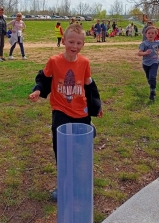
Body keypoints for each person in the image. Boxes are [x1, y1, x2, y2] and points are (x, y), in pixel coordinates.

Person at [29, 24, 103, 201]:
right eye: (71, 41)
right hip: (60, 110)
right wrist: (38, 90)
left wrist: (96, 106)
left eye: (78, 43)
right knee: (62, 149)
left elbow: (89, 85)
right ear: (63, 41)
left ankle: (87, 128)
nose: (74, 46)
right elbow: (44, 78)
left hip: (81, 111)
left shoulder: (84, 63)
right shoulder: (54, 61)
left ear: (83, 44)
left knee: (79, 152)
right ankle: (63, 185)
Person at [138, 26, 159, 101]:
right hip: (146, 64)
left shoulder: (157, 42)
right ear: (146, 34)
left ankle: (153, 91)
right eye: (149, 33)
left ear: (155, 35)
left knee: (152, 76)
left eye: (152, 33)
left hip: (155, 62)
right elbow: (139, 53)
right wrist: (145, 53)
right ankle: (152, 85)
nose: (150, 34)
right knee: (149, 78)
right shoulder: (144, 44)